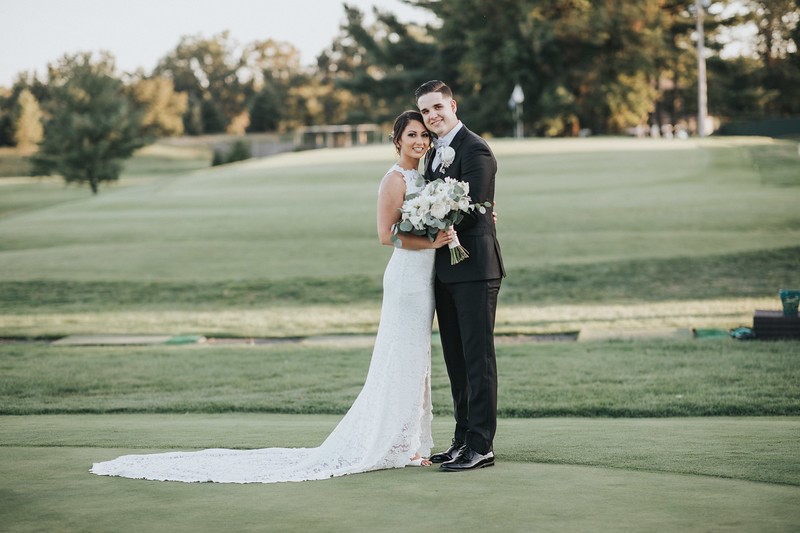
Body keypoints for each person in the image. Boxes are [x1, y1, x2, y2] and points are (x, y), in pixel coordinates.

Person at [89, 111, 451, 483]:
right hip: (407, 278)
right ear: (397, 140)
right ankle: (394, 445)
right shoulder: (394, 180)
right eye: (412, 135)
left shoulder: (425, 177)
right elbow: (385, 235)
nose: (420, 141)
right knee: (400, 358)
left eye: (424, 135)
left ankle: (409, 444)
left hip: (424, 278)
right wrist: (429, 242)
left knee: (416, 358)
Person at [415, 80, 505, 471]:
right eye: (425, 111)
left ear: (452, 105)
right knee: (455, 358)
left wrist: (428, 216)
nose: (432, 115)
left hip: (476, 268)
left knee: (477, 358)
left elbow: (474, 205)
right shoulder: (433, 154)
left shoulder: (476, 148)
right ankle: (461, 438)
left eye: (437, 107)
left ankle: (481, 445)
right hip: (445, 269)